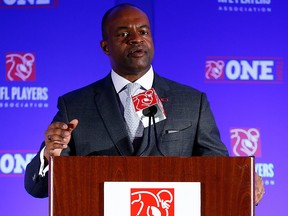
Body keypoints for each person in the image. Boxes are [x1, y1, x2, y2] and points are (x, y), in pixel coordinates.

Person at [24, 3, 264, 204]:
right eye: (123, 34)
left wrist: (242, 180)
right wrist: (50, 155)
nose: (136, 39)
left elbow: (217, 167)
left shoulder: (192, 101)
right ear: (105, 46)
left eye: (144, 32)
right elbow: (38, 189)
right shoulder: (75, 104)